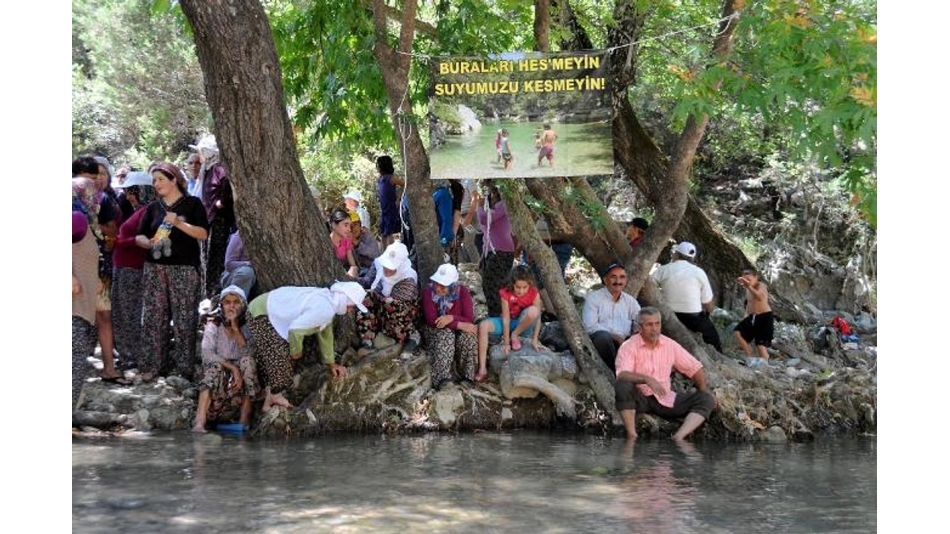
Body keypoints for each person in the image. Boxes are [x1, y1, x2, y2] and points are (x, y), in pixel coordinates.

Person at [135, 162, 210, 382]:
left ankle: (184, 369)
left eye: (160, 179)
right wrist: (148, 243)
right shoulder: (153, 207)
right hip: (155, 268)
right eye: (154, 180)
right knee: (153, 317)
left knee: (184, 318)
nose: (156, 184)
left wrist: (178, 223)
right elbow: (139, 235)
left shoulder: (192, 204)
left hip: (184, 269)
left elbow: (203, 233)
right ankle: (153, 365)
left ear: (174, 180)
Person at [247, 282, 367, 411]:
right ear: (345, 300)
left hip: (265, 307)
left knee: (275, 356)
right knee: (280, 357)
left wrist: (332, 364)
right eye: (352, 306)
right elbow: (295, 330)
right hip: (261, 313)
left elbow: (325, 335)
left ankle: (269, 398)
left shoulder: (328, 302)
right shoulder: (325, 308)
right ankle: (275, 395)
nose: (351, 310)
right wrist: (296, 351)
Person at [614, 307, 717, 441]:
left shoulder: (669, 344)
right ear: (639, 328)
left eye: (657, 324)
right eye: (649, 325)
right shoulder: (629, 346)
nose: (654, 329)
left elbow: (694, 367)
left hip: (665, 399)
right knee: (622, 385)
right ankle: (632, 435)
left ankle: (679, 437)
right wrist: (646, 379)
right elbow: (622, 374)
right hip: (639, 399)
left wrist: (703, 389)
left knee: (706, 399)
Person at [192, 285, 261, 433]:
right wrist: (232, 368)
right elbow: (207, 354)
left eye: (236, 302)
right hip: (219, 391)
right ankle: (200, 422)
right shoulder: (213, 325)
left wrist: (236, 330)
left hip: (238, 391)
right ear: (221, 306)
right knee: (215, 367)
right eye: (227, 302)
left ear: (243, 306)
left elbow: (251, 353)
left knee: (248, 362)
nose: (231, 306)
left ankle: (244, 419)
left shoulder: (248, 327)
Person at [110, 171, 155, 372]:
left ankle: (133, 355)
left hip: (132, 268)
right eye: (127, 192)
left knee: (129, 313)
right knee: (122, 312)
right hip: (124, 266)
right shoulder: (138, 210)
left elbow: (144, 241)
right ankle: (127, 353)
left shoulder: (147, 211)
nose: (128, 197)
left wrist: (121, 241)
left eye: (132, 192)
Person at [475, 265, 544, 383]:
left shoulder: (534, 293)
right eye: (518, 287)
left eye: (524, 287)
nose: (521, 291)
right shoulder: (506, 293)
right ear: (512, 284)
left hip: (524, 326)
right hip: (509, 322)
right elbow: (506, 319)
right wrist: (507, 343)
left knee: (534, 311)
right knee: (483, 325)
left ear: (530, 284)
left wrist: (535, 339)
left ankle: (515, 335)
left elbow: (537, 318)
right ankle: (482, 369)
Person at [651, 241, 723, 352]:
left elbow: (649, 285)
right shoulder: (699, 272)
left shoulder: (663, 269)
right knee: (713, 339)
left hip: (666, 314)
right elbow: (709, 305)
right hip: (693, 319)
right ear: (692, 259)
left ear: (676, 254)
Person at [190, 134, 236, 300]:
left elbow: (225, 185)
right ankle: (207, 293)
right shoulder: (208, 169)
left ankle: (214, 292)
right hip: (209, 220)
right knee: (207, 258)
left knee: (215, 257)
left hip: (219, 221)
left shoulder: (219, 168)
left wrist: (220, 202)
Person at [421, 264, 478, 390]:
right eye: (437, 284)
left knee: (469, 336)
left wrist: (451, 318)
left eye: (443, 286)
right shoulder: (428, 292)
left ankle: (467, 376)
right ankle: (442, 378)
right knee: (446, 334)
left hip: (457, 329)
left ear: (453, 285)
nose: (438, 288)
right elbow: (433, 320)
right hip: (435, 330)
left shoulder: (462, 292)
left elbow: (469, 318)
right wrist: (458, 324)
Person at [356, 241, 422, 351]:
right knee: (364, 299)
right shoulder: (378, 264)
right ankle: (368, 337)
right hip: (381, 306)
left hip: (399, 313)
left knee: (391, 304)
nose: (387, 269)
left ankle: (412, 334)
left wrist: (374, 294)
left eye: (391, 267)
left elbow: (393, 302)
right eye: (386, 265)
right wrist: (352, 280)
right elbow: (367, 281)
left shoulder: (408, 277)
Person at [73, 177, 103, 409]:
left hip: (81, 305)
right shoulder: (76, 219)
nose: (96, 198)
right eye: (92, 193)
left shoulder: (83, 221)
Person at [582, 261, 641, 372]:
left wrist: (636, 333)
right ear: (605, 280)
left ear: (626, 280)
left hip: (624, 342)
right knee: (603, 337)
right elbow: (589, 326)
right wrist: (615, 337)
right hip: (602, 343)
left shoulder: (630, 301)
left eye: (622, 277)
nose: (618, 281)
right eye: (613, 277)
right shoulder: (594, 298)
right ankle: (616, 372)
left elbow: (640, 320)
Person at [477, 181, 516, 316]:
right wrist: (483, 255)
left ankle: (500, 316)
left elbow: (484, 219)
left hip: (502, 251)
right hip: (491, 251)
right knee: (488, 285)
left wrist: (479, 205)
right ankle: (496, 316)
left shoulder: (503, 204)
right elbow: (487, 234)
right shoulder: (491, 207)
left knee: (495, 286)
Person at [734, 268, 774, 369]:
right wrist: (745, 316)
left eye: (749, 279)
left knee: (760, 346)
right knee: (738, 332)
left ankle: (765, 367)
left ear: (756, 277)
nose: (747, 281)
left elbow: (760, 297)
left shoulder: (761, 286)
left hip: (765, 317)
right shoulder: (748, 288)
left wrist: (749, 286)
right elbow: (749, 303)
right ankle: (750, 356)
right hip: (752, 317)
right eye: (745, 279)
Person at [376, 155, 405, 249]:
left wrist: (399, 197)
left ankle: (393, 252)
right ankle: (385, 253)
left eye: (378, 165)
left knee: (392, 234)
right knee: (384, 234)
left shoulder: (391, 178)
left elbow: (404, 184)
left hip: (391, 209)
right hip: (384, 210)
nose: (377, 167)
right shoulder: (381, 179)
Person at [219, 229, 257, 300]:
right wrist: (249, 263)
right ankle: (234, 302)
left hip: (253, 279)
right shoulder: (238, 236)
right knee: (246, 272)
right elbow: (229, 264)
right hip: (233, 275)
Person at [328, 208, 360, 278]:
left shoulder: (346, 241)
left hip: (345, 274)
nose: (349, 229)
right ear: (334, 225)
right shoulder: (326, 242)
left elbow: (353, 264)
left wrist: (353, 270)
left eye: (349, 226)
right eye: (345, 225)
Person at [349, 210, 380, 275]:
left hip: (371, 268)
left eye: (355, 224)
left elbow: (375, 254)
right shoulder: (346, 238)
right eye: (350, 226)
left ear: (360, 225)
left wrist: (357, 243)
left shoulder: (367, 235)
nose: (353, 229)